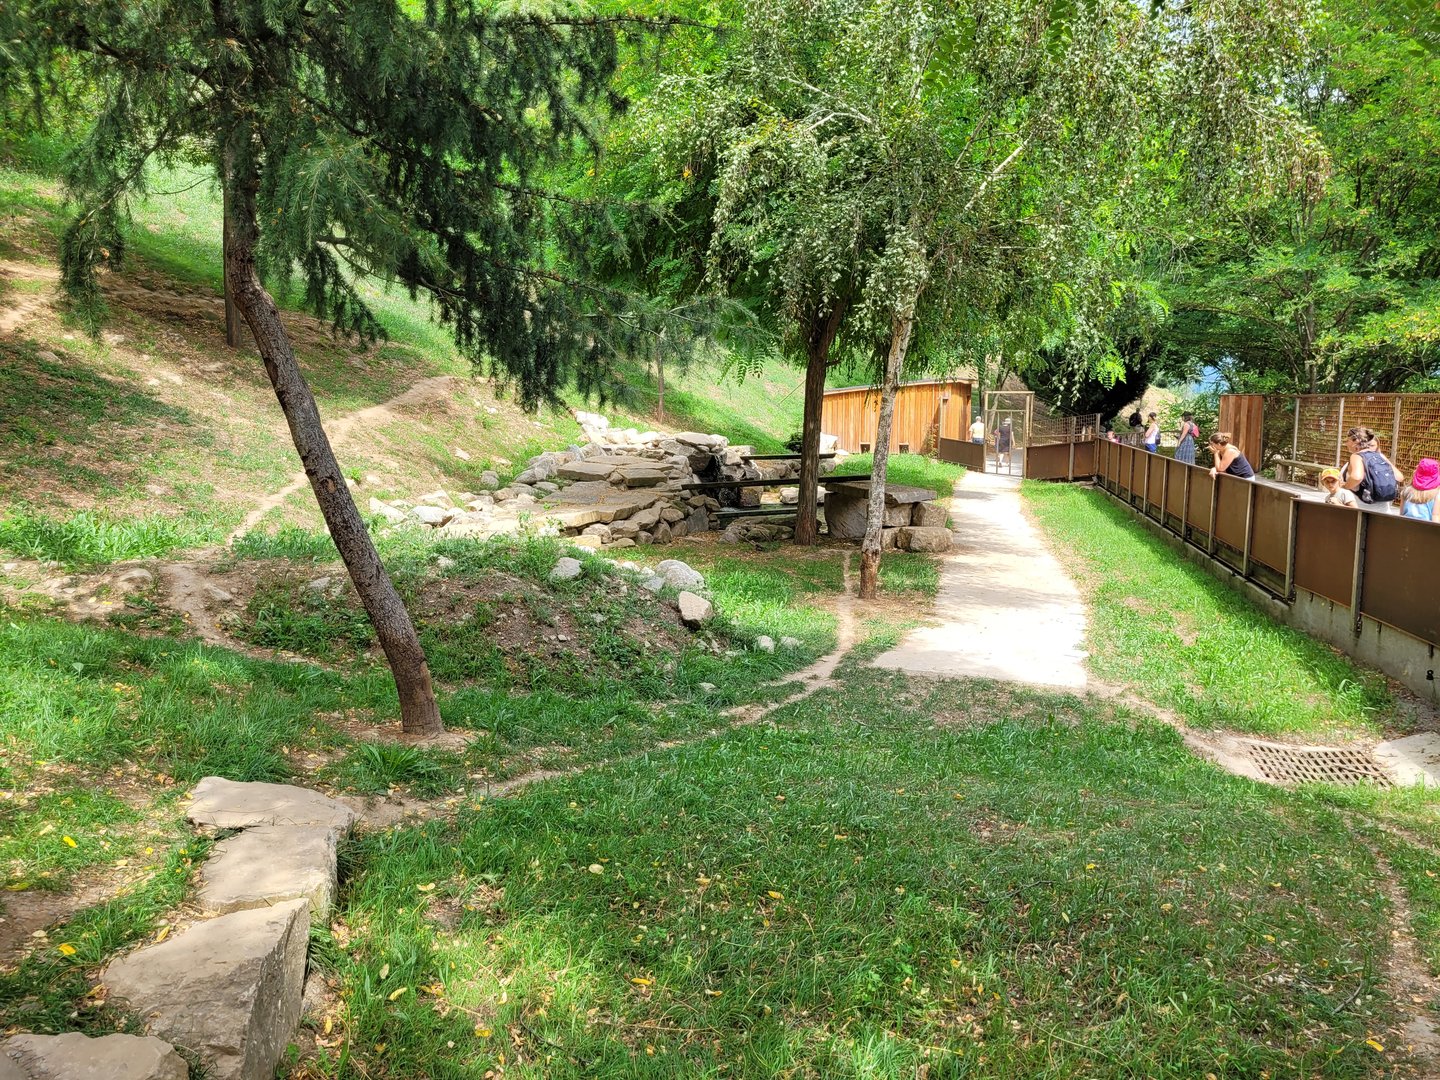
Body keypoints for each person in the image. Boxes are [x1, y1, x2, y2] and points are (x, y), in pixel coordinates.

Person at [1340, 427, 1399, 505]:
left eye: (1348, 441)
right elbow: (1399, 477)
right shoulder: (1379, 456)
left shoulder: (1357, 456)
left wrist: (1345, 486)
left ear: (1356, 441)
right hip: (1383, 509)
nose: (1346, 444)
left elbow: (1357, 477)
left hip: (1361, 508)